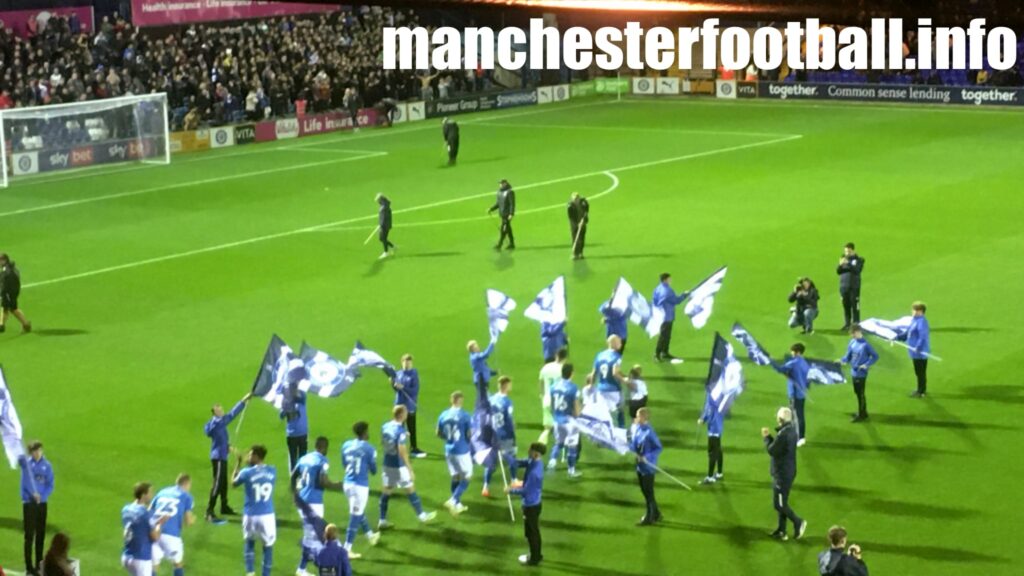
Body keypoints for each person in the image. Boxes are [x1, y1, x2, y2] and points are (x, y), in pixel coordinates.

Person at [379, 406, 437, 529]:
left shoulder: (385, 426)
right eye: (405, 413)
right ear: (401, 415)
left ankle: (382, 520)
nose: (407, 415)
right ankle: (421, 515)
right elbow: (402, 450)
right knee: (410, 489)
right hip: (399, 466)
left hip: (387, 464)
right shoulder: (400, 431)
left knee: (386, 492)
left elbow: (383, 442)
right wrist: (409, 467)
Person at [292, 437, 342, 575]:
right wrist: (338, 485)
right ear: (324, 448)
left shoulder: (304, 458)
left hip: (302, 501)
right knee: (314, 535)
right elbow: (323, 481)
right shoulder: (322, 461)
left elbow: (293, 475)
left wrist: (294, 494)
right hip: (314, 503)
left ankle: (313, 561)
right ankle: (303, 569)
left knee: (314, 533)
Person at [204, 393, 251, 523]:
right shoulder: (217, 423)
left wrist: (229, 447)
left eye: (221, 409)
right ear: (214, 413)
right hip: (218, 457)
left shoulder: (219, 423)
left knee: (223, 483)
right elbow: (231, 415)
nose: (222, 411)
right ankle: (209, 511)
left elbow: (221, 438)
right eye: (219, 410)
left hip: (222, 456)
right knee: (218, 483)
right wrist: (243, 401)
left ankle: (224, 506)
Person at [761, 407, 807, 541]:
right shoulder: (791, 430)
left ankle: (798, 522)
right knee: (782, 501)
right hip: (788, 470)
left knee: (779, 504)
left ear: (780, 419)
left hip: (782, 474)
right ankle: (782, 530)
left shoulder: (783, 434)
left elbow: (772, 450)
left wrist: (767, 437)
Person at [232, 445, 277, 576]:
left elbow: (233, 483)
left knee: (250, 543)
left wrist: (238, 463)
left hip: (250, 515)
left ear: (257, 457)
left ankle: (250, 573)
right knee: (268, 547)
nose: (248, 457)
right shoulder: (273, 470)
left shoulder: (246, 472)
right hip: (267, 515)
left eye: (250, 455)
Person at [340, 422, 379, 559]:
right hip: (359, 486)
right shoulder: (370, 449)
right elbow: (374, 471)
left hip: (347, 483)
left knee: (359, 511)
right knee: (355, 516)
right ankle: (347, 548)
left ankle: (370, 535)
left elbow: (344, 463)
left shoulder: (346, 445)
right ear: (364, 432)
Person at [507, 442, 547, 566]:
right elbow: (519, 462)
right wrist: (505, 455)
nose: (528, 451)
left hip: (531, 506)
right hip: (534, 503)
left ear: (536, 453)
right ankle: (536, 555)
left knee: (532, 533)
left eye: (530, 450)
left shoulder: (535, 472)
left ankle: (534, 558)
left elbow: (526, 491)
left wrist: (510, 490)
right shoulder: (534, 461)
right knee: (532, 531)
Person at [20, 441, 54, 576]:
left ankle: (39, 565)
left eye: (39, 450)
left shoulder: (47, 465)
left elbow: (50, 484)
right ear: (31, 452)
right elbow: (25, 483)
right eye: (35, 451)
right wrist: (33, 495)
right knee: (29, 536)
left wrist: (43, 496)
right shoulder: (27, 465)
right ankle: (29, 568)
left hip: (42, 504)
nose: (38, 453)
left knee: (40, 535)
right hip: (29, 504)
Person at [437, 391, 474, 516]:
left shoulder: (443, 415)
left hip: (449, 450)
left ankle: (457, 504)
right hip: (462, 450)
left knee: (455, 476)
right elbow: (469, 434)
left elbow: (438, 433)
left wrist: (449, 438)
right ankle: (453, 500)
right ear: (460, 400)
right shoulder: (464, 415)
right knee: (467, 476)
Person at [150, 474, 196, 576]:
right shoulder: (186, 496)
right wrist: (193, 520)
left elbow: (149, 511)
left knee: (154, 566)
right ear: (187, 484)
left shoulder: (162, 492)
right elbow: (188, 521)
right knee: (177, 564)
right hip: (171, 536)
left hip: (154, 533)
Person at [122, 482, 170, 576]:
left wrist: (153, 522)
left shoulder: (126, 509)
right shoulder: (145, 513)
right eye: (150, 492)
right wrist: (160, 523)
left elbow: (138, 526)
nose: (152, 495)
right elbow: (155, 537)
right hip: (141, 559)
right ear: (143, 495)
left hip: (126, 556)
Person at [483, 376, 518, 497]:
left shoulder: (491, 399)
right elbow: (509, 420)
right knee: (512, 457)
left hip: (492, 435)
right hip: (505, 435)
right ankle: (513, 481)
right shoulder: (507, 402)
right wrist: (513, 433)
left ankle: (485, 487)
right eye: (510, 384)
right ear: (506, 386)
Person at [771, 343, 809, 446]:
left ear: (797, 352)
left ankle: (798, 437)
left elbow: (780, 369)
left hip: (795, 394)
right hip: (802, 392)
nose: (791, 353)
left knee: (796, 415)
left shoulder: (794, 363)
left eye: (793, 351)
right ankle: (800, 436)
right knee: (799, 415)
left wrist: (771, 361)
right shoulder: (805, 363)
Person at [548, 363, 582, 477]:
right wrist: (579, 417)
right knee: (572, 446)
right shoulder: (573, 388)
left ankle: (552, 460)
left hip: (557, 419)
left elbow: (552, 405)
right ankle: (571, 470)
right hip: (570, 422)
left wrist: (555, 415)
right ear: (571, 373)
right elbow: (576, 409)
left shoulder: (554, 386)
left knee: (558, 443)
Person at [839, 325, 879, 422]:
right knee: (857, 392)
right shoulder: (852, 342)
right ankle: (863, 411)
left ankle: (862, 414)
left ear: (858, 332)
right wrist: (841, 360)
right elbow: (848, 356)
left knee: (860, 393)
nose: (852, 335)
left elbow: (875, 356)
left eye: (853, 333)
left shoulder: (865, 345)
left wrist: (866, 365)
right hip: (853, 371)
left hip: (861, 373)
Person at [632, 407, 663, 526]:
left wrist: (647, 457)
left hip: (648, 467)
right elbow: (634, 444)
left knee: (648, 493)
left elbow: (658, 447)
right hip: (639, 465)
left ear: (644, 417)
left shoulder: (650, 432)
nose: (636, 418)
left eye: (638, 416)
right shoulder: (637, 429)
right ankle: (656, 513)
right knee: (645, 491)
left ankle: (649, 518)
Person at [590, 335, 627, 427]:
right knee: (620, 411)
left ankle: (601, 434)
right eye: (619, 342)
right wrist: (625, 381)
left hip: (601, 389)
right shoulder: (616, 356)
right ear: (613, 343)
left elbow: (593, 373)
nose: (621, 344)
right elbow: (615, 373)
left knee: (603, 414)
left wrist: (591, 386)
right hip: (614, 389)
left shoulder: (599, 355)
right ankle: (621, 432)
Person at [391, 354, 424, 457]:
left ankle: (413, 448)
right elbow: (396, 389)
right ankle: (397, 448)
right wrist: (393, 384)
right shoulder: (398, 374)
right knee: (399, 428)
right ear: (402, 362)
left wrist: (403, 387)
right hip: (399, 405)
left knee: (411, 428)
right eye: (405, 362)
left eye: (409, 362)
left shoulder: (414, 374)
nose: (407, 364)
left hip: (410, 405)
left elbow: (414, 391)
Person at [652, 273, 689, 363]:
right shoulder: (668, 291)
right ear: (665, 280)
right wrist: (685, 295)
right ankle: (657, 354)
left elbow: (654, 300)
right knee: (664, 336)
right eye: (669, 279)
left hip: (660, 315)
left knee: (665, 335)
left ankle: (664, 352)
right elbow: (677, 301)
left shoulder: (658, 288)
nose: (670, 280)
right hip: (667, 316)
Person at [898, 302, 931, 398]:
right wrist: (897, 337)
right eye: (913, 310)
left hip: (920, 352)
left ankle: (921, 391)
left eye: (915, 310)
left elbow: (922, 336)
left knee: (920, 371)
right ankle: (920, 389)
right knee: (918, 371)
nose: (913, 312)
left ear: (921, 311)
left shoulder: (922, 322)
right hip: (914, 351)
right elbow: (908, 332)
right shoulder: (914, 320)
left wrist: (918, 347)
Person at [538, 348, 567, 442]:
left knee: (547, 428)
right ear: (565, 358)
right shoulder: (563, 369)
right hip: (558, 401)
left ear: (556, 356)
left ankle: (540, 445)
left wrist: (542, 395)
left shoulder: (546, 367)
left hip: (546, 399)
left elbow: (541, 383)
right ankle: (558, 448)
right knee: (561, 427)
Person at [0, 253, 31, 333]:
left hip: (8, 292)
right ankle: (25, 324)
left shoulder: (6, 271)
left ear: (4, 260)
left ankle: (1, 325)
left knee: (8, 308)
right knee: (11, 308)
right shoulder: (13, 268)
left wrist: (3, 292)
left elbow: (5, 282)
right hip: (13, 291)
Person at [836, 243, 865, 330]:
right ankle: (847, 324)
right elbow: (838, 271)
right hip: (844, 286)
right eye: (845, 251)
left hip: (854, 287)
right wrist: (840, 264)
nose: (847, 253)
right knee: (846, 306)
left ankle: (856, 324)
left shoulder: (859, 259)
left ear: (853, 250)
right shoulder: (843, 259)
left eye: (848, 251)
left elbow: (857, 270)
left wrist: (848, 263)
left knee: (855, 306)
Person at [698, 393, 724, 485]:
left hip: (714, 428)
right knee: (718, 449)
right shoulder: (718, 393)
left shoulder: (713, 395)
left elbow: (709, 409)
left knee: (712, 452)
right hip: (717, 427)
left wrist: (703, 419)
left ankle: (710, 477)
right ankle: (720, 473)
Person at [282, 392, 309, 473]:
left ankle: (300, 478)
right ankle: (294, 480)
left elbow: (281, 415)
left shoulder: (301, 401)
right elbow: (281, 415)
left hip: (298, 434)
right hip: (295, 434)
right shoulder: (290, 403)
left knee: (301, 458)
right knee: (294, 458)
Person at [467, 337, 495, 410]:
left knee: (484, 398)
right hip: (480, 380)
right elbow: (486, 354)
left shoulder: (478, 357)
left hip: (482, 380)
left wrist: (495, 372)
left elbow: (485, 369)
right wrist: (492, 343)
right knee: (485, 398)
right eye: (475, 346)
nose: (478, 347)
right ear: (472, 349)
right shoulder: (475, 357)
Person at [488, 179, 516, 251]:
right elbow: (498, 204)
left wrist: (511, 213)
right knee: (508, 229)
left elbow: (512, 204)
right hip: (502, 214)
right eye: (500, 183)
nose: (500, 185)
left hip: (507, 214)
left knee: (503, 229)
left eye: (501, 183)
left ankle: (499, 244)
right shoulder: (499, 192)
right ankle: (512, 243)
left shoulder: (510, 192)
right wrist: (491, 209)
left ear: (505, 184)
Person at [567, 192, 589, 260]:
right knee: (575, 238)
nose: (576, 200)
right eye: (575, 198)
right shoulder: (570, 206)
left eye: (577, 198)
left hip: (582, 223)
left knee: (582, 238)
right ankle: (575, 253)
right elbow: (571, 217)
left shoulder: (583, 202)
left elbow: (586, 210)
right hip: (574, 224)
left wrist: (583, 220)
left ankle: (580, 253)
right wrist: (577, 224)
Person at [375, 193, 395, 260]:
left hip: (385, 225)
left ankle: (386, 252)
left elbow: (383, 218)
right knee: (382, 238)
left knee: (383, 238)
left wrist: (380, 225)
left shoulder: (384, 208)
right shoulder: (385, 205)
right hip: (386, 224)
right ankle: (392, 247)